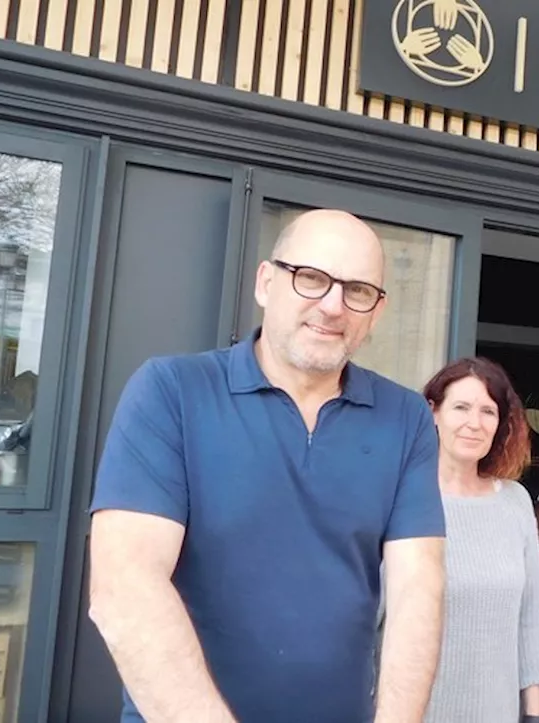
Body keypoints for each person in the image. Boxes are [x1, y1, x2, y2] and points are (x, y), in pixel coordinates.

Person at [87, 209, 446, 722]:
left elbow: (418, 592)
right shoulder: (172, 392)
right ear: (265, 281)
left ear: (376, 312)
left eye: (357, 290)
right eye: (311, 278)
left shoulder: (405, 417)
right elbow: (125, 587)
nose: (332, 306)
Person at [420, 357, 539, 723]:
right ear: (433, 412)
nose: (474, 424)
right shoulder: (401, 497)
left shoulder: (514, 501)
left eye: (488, 411)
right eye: (461, 407)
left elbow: (530, 617)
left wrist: (535, 714)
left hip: (497, 713)